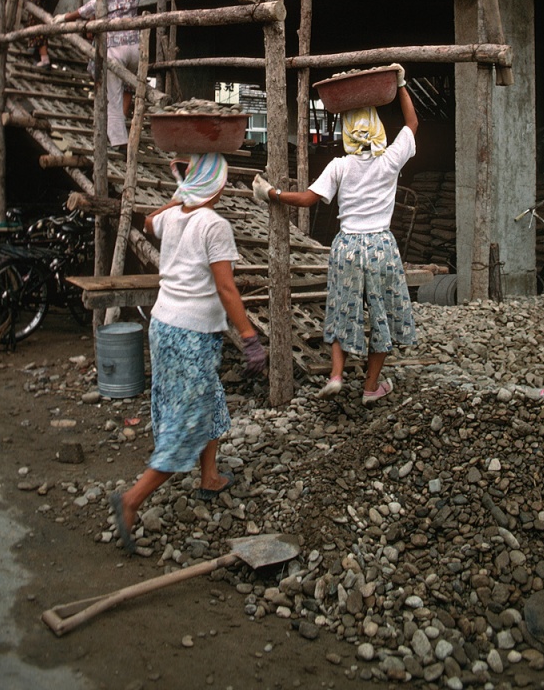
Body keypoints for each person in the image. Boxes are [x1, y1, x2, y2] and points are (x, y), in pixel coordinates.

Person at [108, 152, 267, 554]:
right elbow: (227, 289)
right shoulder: (215, 226)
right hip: (191, 334)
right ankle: (132, 499)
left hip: (163, 326)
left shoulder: (172, 217)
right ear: (219, 186)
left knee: (208, 398)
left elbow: (148, 221)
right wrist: (249, 336)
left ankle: (209, 476)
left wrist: (180, 194)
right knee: (188, 421)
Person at [253, 64, 418, 405]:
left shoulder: (340, 166)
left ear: (346, 131)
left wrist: (271, 193)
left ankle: (337, 375)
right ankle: (371, 386)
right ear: (377, 127)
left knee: (342, 310)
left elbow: (307, 199)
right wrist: (401, 84)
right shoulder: (390, 161)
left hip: (347, 247)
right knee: (381, 316)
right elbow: (412, 124)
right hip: (380, 246)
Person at [56, 0, 144, 151]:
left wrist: (63, 17)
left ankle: (119, 140)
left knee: (113, 95)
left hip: (115, 49)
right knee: (128, 88)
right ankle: (121, 126)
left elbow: (85, 10)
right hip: (135, 50)